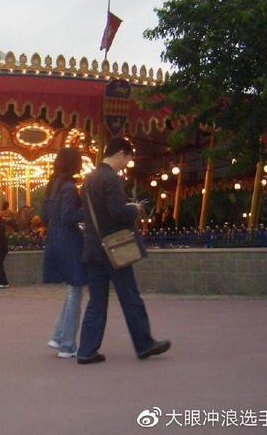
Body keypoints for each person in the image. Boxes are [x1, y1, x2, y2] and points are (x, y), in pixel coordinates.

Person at [77, 137, 171, 365]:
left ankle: (87, 350)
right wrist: (134, 209)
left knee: (97, 301)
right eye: (127, 159)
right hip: (114, 249)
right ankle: (144, 344)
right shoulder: (110, 178)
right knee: (130, 297)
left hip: (93, 248)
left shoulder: (89, 179)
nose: (126, 164)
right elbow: (117, 213)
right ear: (120, 153)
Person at [42, 147, 87, 358]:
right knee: (75, 290)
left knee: (72, 290)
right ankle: (67, 344)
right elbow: (68, 215)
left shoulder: (53, 185)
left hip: (54, 238)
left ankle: (58, 336)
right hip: (68, 241)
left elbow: (44, 215)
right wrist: (88, 210)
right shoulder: (68, 187)